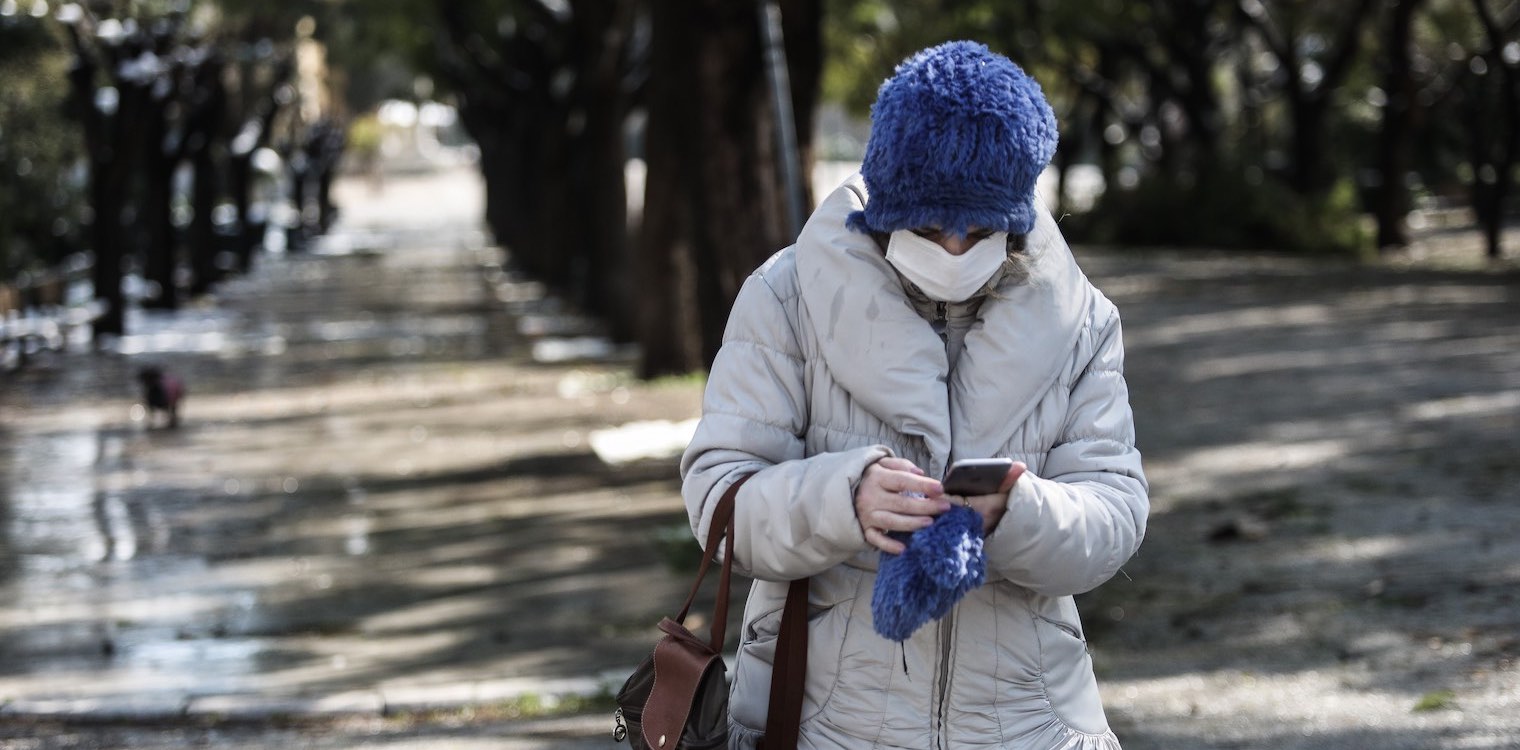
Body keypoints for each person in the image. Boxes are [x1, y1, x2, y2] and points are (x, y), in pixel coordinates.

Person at [680, 40, 1148, 749]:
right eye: (930, 228)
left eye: (982, 229)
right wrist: (843, 498)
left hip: (1027, 724)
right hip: (822, 724)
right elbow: (719, 500)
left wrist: (1019, 510)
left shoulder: (1081, 319)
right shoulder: (785, 296)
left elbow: (1113, 516)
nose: (955, 250)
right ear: (887, 203)